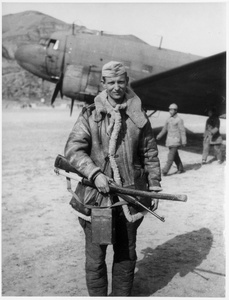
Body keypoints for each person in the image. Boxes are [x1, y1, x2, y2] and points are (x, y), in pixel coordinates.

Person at [64, 61, 162, 296]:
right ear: (104, 84)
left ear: (127, 82)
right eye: (112, 83)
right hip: (97, 199)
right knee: (96, 257)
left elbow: (149, 153)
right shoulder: (90, 114)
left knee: (126, 256)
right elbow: (73, 150)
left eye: (121, 82)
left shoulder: (139, 116)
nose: (117, 87)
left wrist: (155, 186)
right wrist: (94, 173)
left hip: (130, 197)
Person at [156, 103, 187, 176]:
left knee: (170, 157)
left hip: (175, 141)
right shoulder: (168, 119)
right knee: (175, 156)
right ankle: (180, 168)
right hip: (169, 141)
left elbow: (182, 131)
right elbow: (164, 129)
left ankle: (164, 171)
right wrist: (159, 136)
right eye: (169, 109)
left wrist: (184, 141)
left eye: (171, 110)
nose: (170, 111)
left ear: (175, 111)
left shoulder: (179, 120)